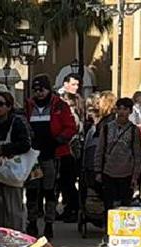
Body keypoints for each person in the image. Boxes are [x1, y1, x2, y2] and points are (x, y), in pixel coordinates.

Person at [23, 75, 77, 238]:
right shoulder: (29, 106)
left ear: (48, 89)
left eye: (42, 89)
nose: (39, 93)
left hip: (52, 155)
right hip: (33, 157)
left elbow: (70, 127)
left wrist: (58, 140)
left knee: (49, 191)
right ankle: (32, 222)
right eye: (36, 90)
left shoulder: (60, 105)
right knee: (32, 190)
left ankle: (49, 224)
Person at [0, 89, 31, 231]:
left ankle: (17, 237)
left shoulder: (17, 122)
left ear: (9, 106)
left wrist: (4, 149)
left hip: (12, 170)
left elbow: (25, 144)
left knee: (14, 209)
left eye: (0, 104)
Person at [96, 97, 141, 210]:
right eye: (120, 109)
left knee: (124, 207)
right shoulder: (107, 128)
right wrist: (98, 170)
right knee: (109, 206)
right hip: (108, 172)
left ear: (130, 111)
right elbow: (100, 150)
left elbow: (137, 154)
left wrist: (135, 176)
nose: (122, 112)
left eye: (125, 109)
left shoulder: (134, 131)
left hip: (126, 174)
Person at [58, 73, 85, 223]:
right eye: (73, 84)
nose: (76, 87)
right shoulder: (60, 99)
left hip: (74, 144)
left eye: (77, 85)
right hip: (66, 144)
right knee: (65, 180)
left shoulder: (78, 99)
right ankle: (69, 207)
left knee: (68, 179)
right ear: (65, 83)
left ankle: (72, 208)